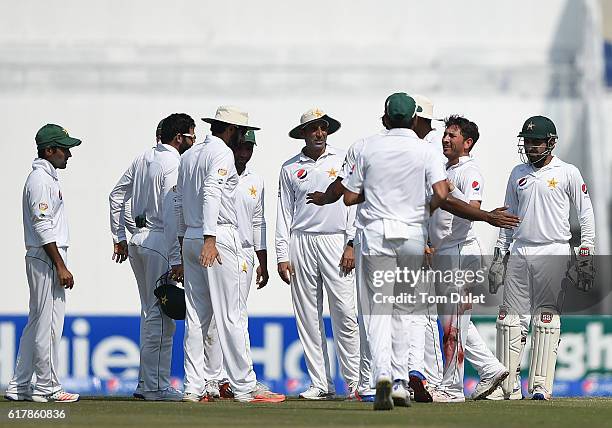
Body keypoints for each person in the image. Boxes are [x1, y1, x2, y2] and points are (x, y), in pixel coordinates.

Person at [180, 106, 284, 403]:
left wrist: (185, 241)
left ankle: (193, 387)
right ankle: (244, 386)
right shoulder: (222, 154)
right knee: (232, 315)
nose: (241, 137)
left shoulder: (188, 156)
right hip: (218, 236)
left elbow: (177, 200)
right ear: (230, 129)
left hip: (190, 235)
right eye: (240, 131)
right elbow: (212, 191)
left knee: (197, 318)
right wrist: (210, 238)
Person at [489, 115, 595, 400]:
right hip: (521, 250)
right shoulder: (517, 173)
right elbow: (507, 217)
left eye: (537, 142)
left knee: (546, 321)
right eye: (528, 142)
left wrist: (586, 253)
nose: (532, 147)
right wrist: (500, 256)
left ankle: (540, 387)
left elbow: (585, 213)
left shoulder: (567, 172)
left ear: (551, 143)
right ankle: (506, 387)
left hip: (554, 249)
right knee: (510, 321)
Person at [109, 113, 195, 401]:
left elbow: (115, 195)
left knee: (149, 313)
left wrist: (120, 236)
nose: (193, 141)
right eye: (191, 135)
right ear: (179, 137)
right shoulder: (174, 163)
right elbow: (172, 213)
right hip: (159, 241)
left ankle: (146, 384)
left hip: (137, 241)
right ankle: (155, 386)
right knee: (161, 316)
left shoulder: (143, 158)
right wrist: (176, 258)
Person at [276, 107, 360, 400]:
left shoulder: (343, 160)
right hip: (301, 241)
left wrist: (352, 243)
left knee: (345, 313)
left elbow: (354, 204)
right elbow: (284, 214)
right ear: (303, 134)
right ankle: (320, 384)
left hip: (336, 241)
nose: (319, 134)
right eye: (313, 129)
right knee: (308, 316)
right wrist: (281, 254)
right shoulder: (289, 168)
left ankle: (354, 384)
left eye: (323, 128)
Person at [428, 115, 509, 402]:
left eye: (453, 135)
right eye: (445, 135)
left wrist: (450, 188)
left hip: (461, 251)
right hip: (445, 253)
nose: (446, 139)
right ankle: (490, 369)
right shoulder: (444, 168)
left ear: (468, 142)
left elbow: (472, 210)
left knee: (452, 324)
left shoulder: (470, 171)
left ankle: (451, 389)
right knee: (455, 321)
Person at [5, 124, 82, 403]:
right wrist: (60, 265)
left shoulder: (46, 178)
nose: (69, 155)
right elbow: (42, 224)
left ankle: (20, 384)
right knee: (48, 323)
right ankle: (47, 386)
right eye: (64, 149)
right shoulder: (40, 180)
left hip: (43, 255)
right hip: (47, 255)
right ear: (49, 150)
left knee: (37, 321)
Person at [199, 129, 270, 400]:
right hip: (220, 246)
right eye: (241, 147)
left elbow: (258, 222)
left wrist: (262, 261)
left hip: (245, 253)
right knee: (219, 316)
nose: (244, 153)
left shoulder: (256, 180)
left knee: (236, 314)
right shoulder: (220, 169)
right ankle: (215, 378)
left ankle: (230, 378)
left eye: (249, 148)